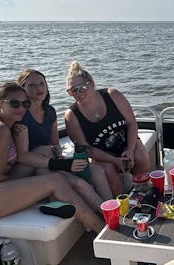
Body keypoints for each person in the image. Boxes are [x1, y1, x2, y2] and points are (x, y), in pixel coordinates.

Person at [0, 81, 106, 235]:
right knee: (55, 180)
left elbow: (21, 160)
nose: (21, 108)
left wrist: (25, 143)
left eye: (25, 103)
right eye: (14, 103)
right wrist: (38, 185)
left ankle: (57, 201)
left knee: (43, 152)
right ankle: (102, 229)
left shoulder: (7, 125)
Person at [12, 68, 112, 210]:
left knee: (96, 171)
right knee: (80, 184)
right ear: (23, 90)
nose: (38, 88)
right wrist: (62, 165)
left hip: (49, 161)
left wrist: (64, 160)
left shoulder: (50, 112)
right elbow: (22, 157)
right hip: (30, 169)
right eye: (31, 85)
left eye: (42, 83)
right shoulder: (21, 115)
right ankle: (107, 218)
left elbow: (55, 145)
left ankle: (113, 209)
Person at [64, 61, 150, 196]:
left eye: (82, 87)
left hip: (125, 143)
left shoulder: (113, 95)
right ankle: (121, 204)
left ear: (92, 84)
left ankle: (143, 193)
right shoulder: (72, 116)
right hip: (101, 154)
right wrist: (114, 160)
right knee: (109, 170)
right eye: (72, 90)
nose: (78, 93)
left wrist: (130, 149)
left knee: (141, 156)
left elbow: (131, 123)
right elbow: (86, 148)